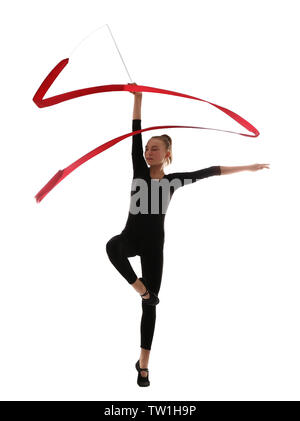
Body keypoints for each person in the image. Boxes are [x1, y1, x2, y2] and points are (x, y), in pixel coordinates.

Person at [106, 83, 270, 387]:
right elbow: (134, 134)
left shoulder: (174, 181)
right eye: (147, 149)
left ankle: (143, 366)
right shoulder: (139, 171)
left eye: (154, 148)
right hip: (131, 238)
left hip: (154, 247)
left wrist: (248, 167)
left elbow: (211, 170)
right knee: (112, 246)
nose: (147, 151)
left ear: (167, 154)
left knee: (150, 307)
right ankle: (141, 288)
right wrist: (139, 99)